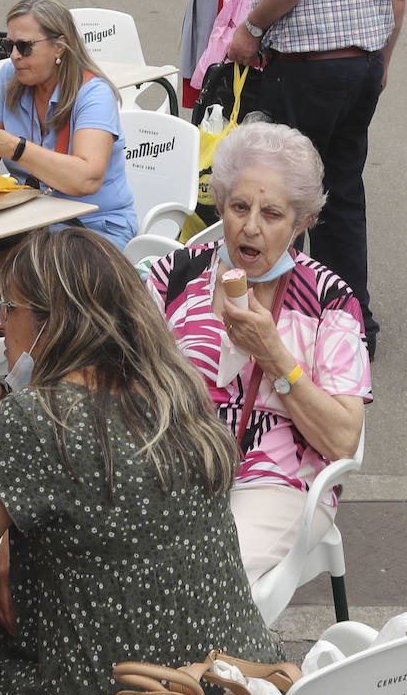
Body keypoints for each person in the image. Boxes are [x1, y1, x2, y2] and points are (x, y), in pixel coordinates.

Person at [0, 228, 283, 693]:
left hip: (126, 684)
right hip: (239, 674)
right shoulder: (178, 388)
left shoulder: (36, 417)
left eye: (9, 308)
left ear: (54, 322)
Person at [147, 122, 370, 583]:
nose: (250, 227)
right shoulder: (172, 278)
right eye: (239, 207)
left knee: (205, 577)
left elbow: (342, 438)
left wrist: (272, 354)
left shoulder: (329, 300)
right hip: (172, 467)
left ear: (301, 223)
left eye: (271, 214)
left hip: (277, 480)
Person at [228, 0, 405, 353]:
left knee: (283, 198)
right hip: (362, 62)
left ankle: (290, 325)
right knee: (343, 194)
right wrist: (380, 67)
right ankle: (354, 327)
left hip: (307, 68)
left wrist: (250, 29)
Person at [0, 0, 137, 416]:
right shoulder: (10, 77)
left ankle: (20, 406)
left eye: (25, 46)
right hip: (36, 219)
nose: (14, 55)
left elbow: (86, 177)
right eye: (8, 44)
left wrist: (13, 147)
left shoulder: (91, 93)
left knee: (0, 273)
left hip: (92, 229)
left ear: (59, 46)